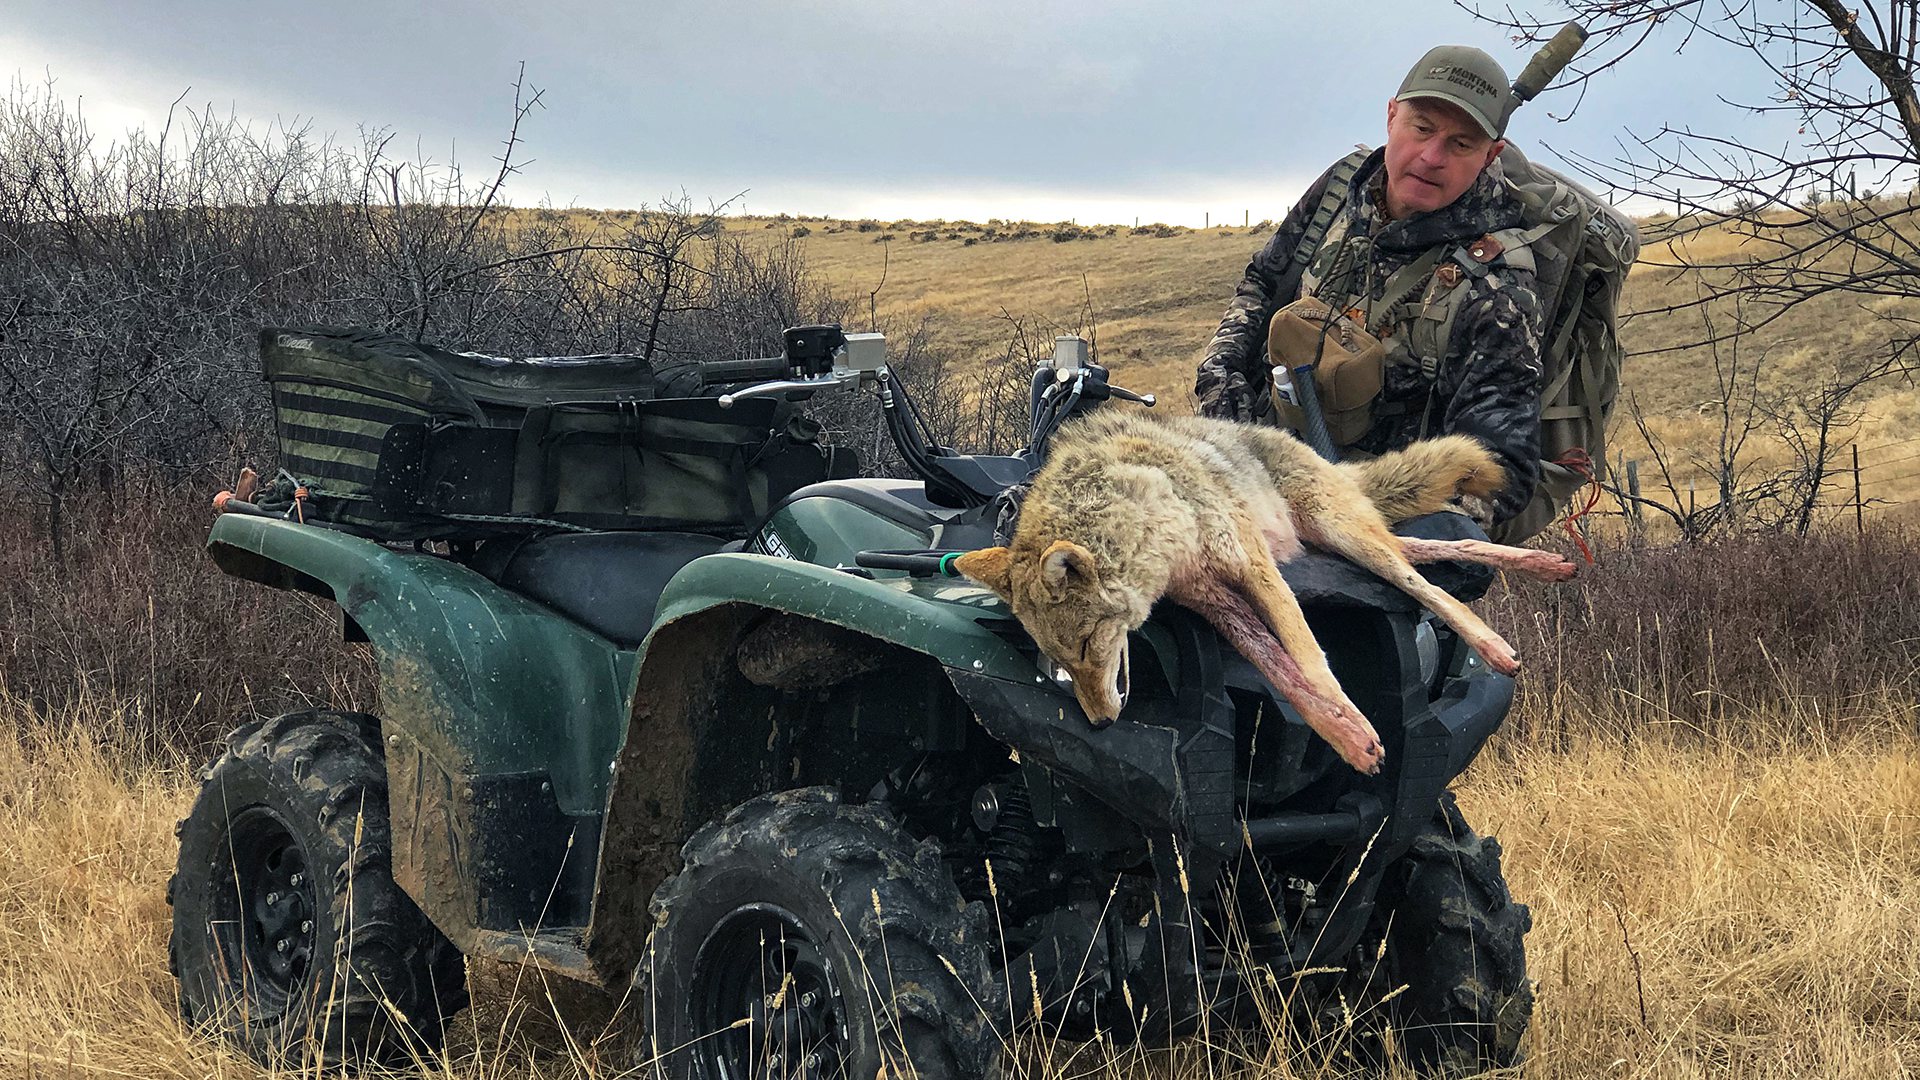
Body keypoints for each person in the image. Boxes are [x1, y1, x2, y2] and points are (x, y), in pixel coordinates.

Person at [1194, 45, 1545, 530]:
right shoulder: (1341, 189)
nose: (1431, 156)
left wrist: (1371, 524)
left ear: (1491, 155)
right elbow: (1262, 282)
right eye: (1421, 128)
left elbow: (1496, 472)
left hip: (1364, 531)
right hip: (1250, 481)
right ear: (1391, 116)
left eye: (1461, 144)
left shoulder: (1497, 286)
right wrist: (1220, 373)